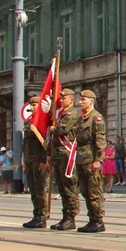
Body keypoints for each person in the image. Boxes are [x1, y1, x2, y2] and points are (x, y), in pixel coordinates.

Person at [73, 90, 107, 233]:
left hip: (91, 159)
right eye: (80, 100)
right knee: (86, 191)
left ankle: (98, 220)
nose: (80, 102)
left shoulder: (96, 118)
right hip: (81, 159)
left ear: (91, 101)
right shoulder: (82, 119)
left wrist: (98, 160)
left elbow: (100, 141)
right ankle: (91, 219)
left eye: (83, 100)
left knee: (94, 192)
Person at [50, 88, 82, 231]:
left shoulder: (72, 113)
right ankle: (65, 216)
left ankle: (71, 217)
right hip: (58, 154)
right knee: (61, 187)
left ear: (71, 100)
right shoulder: (60, 114)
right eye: (60, 98)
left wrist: (52, 128)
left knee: (69, 186)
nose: (61, 100)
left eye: (64, 98)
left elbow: (61, 130)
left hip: (67, 154)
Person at [23, 94, 51, 228]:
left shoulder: (42, 121)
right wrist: (24, 160)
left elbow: (45, 143)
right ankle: (36, 214)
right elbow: (25, 143)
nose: (32, 107)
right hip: (29, 160)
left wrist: (44, 160)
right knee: (33, 189)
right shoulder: (29, 121)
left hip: (39, 160)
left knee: (40, 189)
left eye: (34, 105)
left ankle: (42, 216)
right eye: (31, 105)